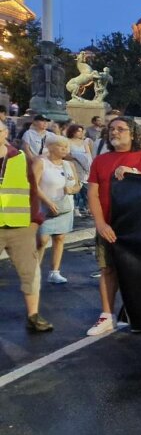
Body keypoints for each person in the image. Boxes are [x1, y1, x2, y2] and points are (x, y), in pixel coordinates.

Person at [86, 117, 141, 336]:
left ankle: (138, 313)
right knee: (106, 268)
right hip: (108, 224)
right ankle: (107, 315)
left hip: (137, 225)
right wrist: (100, 223)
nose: (115, 132)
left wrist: (134, 174)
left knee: (137, 271)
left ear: (133, 133)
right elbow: (92, 193)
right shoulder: (100, 161)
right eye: (111, 129)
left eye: (120, 129)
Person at [0, 121, 54, 332]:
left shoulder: (20, 158)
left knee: (30, 273)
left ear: (4, 133)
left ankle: (33, 316)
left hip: (20, 226)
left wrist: (35, 221)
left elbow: (32, 190)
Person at [35, 136, 80, 285]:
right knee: (42, 240)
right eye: (61, 147)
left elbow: (78, 185)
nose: (65, 150)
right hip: (44, 206)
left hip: (64, 206)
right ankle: (33, 272)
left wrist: (72, 189)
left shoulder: (69, 165)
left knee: (60, 238)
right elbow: (33, 185)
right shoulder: (41, 162)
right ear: (51, 147)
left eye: (66, 147)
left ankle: (55, 272)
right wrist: (47, 202)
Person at [65, 124, 93, 217]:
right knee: (75, 188)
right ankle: (76, 208)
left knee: (86, 190)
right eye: (78, 131)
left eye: (81, 131)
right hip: (73, 167)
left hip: (84, 168)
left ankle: (87, 208)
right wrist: (76, 156)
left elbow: (88, 156)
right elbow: (67, 155)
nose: (80, 133)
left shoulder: (85, 142)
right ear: (73, 132)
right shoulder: (68, 141)